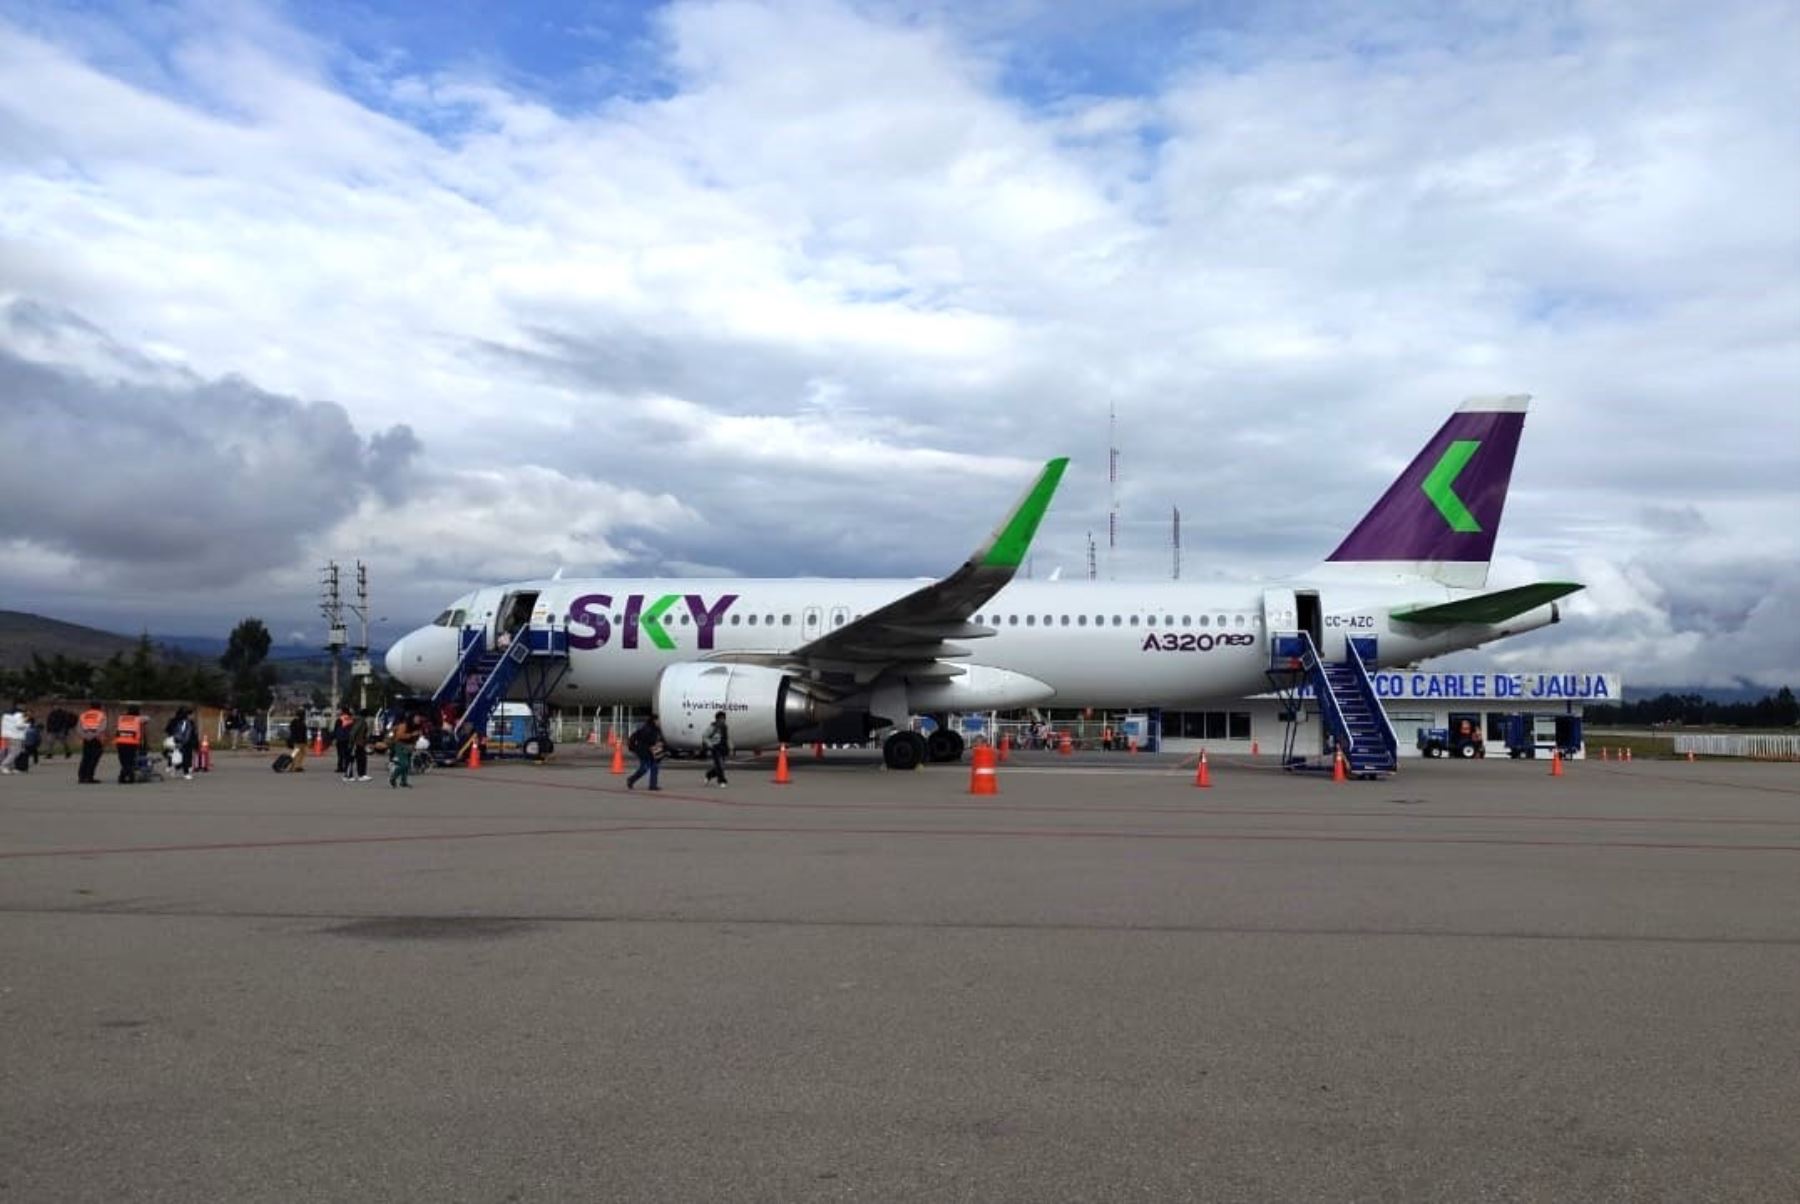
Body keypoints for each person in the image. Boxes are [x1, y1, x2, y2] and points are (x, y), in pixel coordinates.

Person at [625, 713, 664, 791]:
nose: (659, 722)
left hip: (652, 751)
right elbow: (648, 740)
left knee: (654, 767)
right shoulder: (646, 729)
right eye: (657, 720)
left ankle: (653, 785)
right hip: (643, 751)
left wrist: (660, 744)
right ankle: (631, 780)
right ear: (653, 720)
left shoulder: (656, 729)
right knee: (644, 768)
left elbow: (659, 739)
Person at [77, 700, 107, 784]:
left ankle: (82, 776)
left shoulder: (84, 714)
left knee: (85, 757)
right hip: (96, 739)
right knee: (94, 758)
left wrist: (85, 736)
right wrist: (93, 735)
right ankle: (89, 777)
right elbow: (102, 728)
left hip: (86, 739)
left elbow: (79, 728)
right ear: (100, 707)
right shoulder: (101, 715)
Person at [166, 707, 198, 781]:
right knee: (184, 758)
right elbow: (186, 733)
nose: (192, 716)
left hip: (184, 742)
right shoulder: (184, 722)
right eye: (190, 715)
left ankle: (175, 768)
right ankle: (185, 773)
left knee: (181, 758)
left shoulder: (185, 722)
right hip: (183, 742)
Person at [115, 704, 144, 783]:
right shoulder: (138, 719)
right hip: (131, 742)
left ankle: (123, 777)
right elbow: (146, 719)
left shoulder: (121, 718)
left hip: (120, 741)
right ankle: (129, 777)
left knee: (123, 761)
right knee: (130, 761)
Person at [703, 709, 731, 787]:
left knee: (721, 766)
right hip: (715, 747)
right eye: (721, 718)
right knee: (719, 765)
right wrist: (710, 744)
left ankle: (708, 775)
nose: (723, 720)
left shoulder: (725, 727)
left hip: (723, 747)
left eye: (724, 718)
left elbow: (727, 738)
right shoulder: (712, 727)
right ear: (717, 719)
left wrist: (730, 746)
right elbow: (705, 736)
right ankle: (722, 781)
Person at [387, 714, 416, 788]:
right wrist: (411, 735)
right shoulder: (403, 726)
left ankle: (404, 781)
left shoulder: (411, 726)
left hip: (408, 746)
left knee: (407, 765)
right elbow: (400, 736)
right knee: (404, 764)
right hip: (400, 745)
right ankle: (393, 778)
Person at [347, 709, 371, 782]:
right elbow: (353, 732)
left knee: (354, 759)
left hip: (357, 743)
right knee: (361, 759)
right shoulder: (361, 721)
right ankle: (361, 775)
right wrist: (352, 742)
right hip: (357, 743)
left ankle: (350, 775)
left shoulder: (357, 720)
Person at [0, 701, 23, 774]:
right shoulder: (18, 714)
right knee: (14, 752)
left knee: (11, 751)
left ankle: (11, 767)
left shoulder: (9, 713)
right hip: (14, 735)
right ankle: (4, 765)